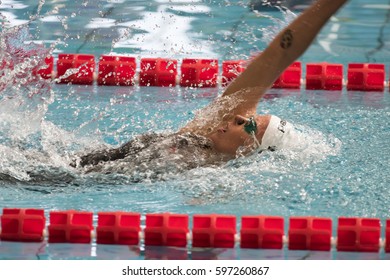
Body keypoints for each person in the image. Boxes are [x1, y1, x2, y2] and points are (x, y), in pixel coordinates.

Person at [72, 0, 348, 178]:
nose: (238, 117)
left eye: (249, 126)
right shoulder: (210, 127)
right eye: (247, 116)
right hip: (82, 164)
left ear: (251, 152)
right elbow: (280, 53)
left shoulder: (214, 174)